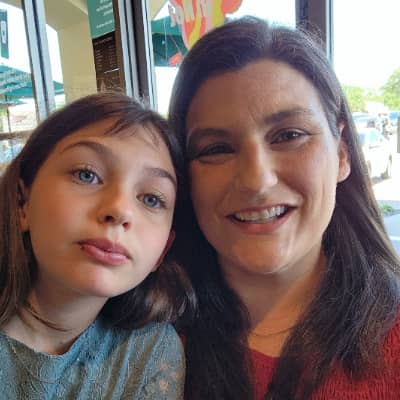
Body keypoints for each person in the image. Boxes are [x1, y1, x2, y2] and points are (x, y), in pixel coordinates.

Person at [169, 17, 400, 400]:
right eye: (216, 149)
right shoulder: (135, 340)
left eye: (289, 135)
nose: (256, 180)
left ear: (342, 153)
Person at [0, 92, 195, 399]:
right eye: (87, 175)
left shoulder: (151, 353)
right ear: (22, 202)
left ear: (163, 250)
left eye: (151, 199)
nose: (120, 210)